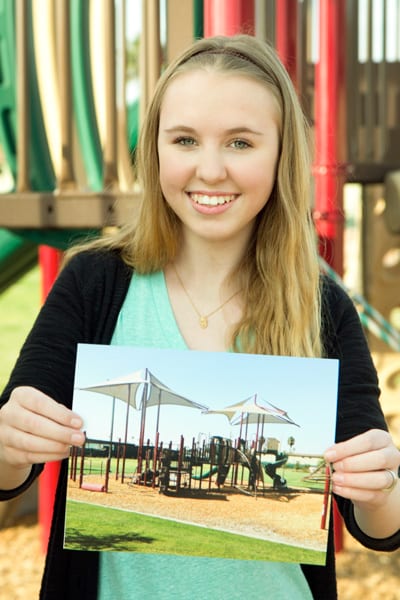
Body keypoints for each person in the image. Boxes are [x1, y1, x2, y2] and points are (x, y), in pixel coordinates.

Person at [0, 34, 399, 600]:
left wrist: (381, 487)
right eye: (185, 139)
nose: (209, 170)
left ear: (282, 154)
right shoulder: (95, 284)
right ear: (155, 148)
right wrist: (9, 443)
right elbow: (4, 473)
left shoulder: (322, 307)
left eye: (240, 143)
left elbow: (379, 529)